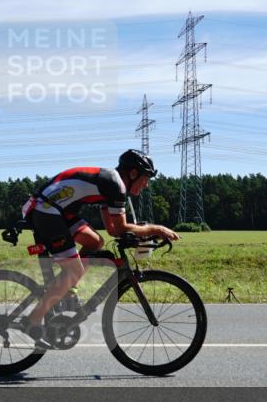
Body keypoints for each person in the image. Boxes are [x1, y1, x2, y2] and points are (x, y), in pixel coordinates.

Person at [19, 149, 178, 348]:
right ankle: (32, 320)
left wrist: (139, 234)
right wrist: (156, 229)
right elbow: (120, 227)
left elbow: (112, 230)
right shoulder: (115, 184)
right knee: (74, 269)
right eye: (146, 178)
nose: (146, 184)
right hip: (47, 210)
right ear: (133, 173)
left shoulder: (112, 185)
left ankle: (67, 288)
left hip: (58, 210)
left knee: (95, 243)